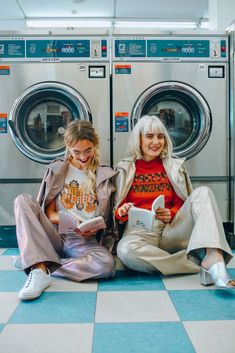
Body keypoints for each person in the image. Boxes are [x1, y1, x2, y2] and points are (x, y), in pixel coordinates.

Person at [114, 115, 235, 289]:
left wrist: (171, 213)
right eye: (149, 136)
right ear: (138, 139)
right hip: (139, 232)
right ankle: (195, 261)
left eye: (160, 136)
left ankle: (214, 256)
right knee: (125, 251)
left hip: (172, 229)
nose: (156, 142)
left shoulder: (174, 166)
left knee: (203, 192)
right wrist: (122, 211)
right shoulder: (125, 168)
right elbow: (117, 209)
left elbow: (184, 202)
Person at [14, 120, 117, 300]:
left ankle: (42, 263)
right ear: (68, 147)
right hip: (55, 235)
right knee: (22, 200)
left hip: (84, 241)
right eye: (76, 152)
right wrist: (68, 220)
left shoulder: (103, 174)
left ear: (95, 146)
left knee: (107, 265)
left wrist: (95, 227)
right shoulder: (59, 170)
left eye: (88, 150)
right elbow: (49, 213)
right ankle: (38, 271)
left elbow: (107, 217)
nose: (83, 157)